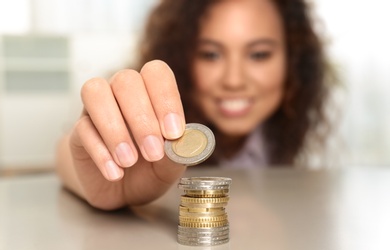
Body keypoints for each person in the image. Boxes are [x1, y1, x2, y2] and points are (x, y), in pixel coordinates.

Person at [56, 0, 333, 210]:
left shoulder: (281, 131)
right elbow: (66, 152)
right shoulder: (153, 126)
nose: (234, 80)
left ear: (293, 60)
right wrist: (99, 176)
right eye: (210, 54)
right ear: (182, 58)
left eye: (259, 54)